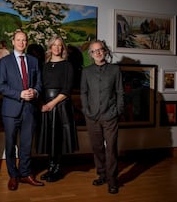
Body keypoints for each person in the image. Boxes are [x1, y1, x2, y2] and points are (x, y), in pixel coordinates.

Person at [0, 30, 44, 191]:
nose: (21, 43)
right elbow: (1, 86)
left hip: (29, 110)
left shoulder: (33, 61)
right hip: (11, 110)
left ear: (27, 42)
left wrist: (35, 92)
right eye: (18, 40)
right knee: (10, 145)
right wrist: (19, 94)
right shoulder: (4, 62)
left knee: (26, 144)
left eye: (24, 40)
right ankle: (13, 175)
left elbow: (39, 83)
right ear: (13, 41)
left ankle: (25, 173)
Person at [80, 39, 124, 194]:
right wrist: (86, 109)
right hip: (92, 117)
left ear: (105, 51)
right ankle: (102, 174)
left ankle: (113, 180)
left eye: (100, 49)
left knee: (111, 148)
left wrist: (118, 110)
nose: (97, 53)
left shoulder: (114, 70)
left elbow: (119, 92)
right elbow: (84, 92)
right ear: (91, 54)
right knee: (97, 148)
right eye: (94, 51)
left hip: (110, 115)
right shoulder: (86, 71)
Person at [37, 36, 79, 182]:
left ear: (63, 48)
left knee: (57, 138)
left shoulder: (67, 65)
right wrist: (42, 103)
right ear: (50, 47)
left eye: (59, 45)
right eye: (54, 45)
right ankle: (50, 167)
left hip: (60, 104)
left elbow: (67, 89)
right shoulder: (45, 66)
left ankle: (57, 169)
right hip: (46, 104)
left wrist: (52, 103)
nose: (56, 48)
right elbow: (41, 87)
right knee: (49, 137)